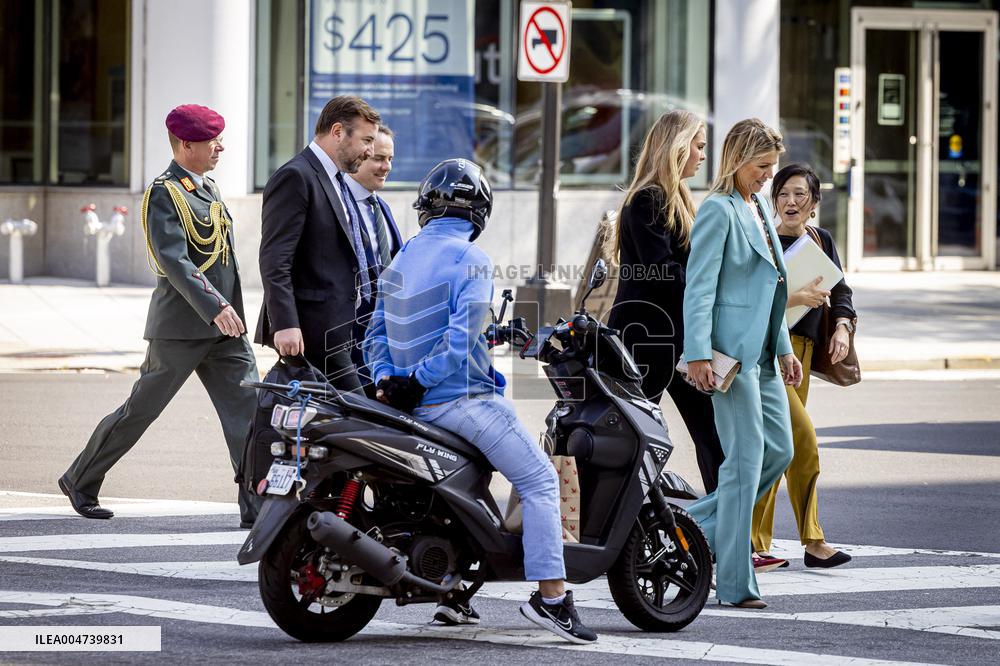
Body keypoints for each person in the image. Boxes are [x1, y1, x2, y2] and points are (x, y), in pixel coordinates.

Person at [363, 159, 597, 644]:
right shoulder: (473, 259)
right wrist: (421, 380)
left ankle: (453, 592)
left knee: (467, 487)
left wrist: (392, 380)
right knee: (539, 480)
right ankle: (553, 599)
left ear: (427, 207)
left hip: (407, 406)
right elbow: (456, 341)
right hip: (459, 401)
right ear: (480, 213)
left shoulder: (402, 258)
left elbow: (375, 336)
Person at [59, 104, 261, 527]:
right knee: (140, 411)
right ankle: (80, 478)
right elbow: (174, 260)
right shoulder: (165, 193)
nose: (220, 148)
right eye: (212, 141)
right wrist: (215, 306)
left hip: (226, 328)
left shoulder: (207, 188)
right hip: (181, 328)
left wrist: (230, 311)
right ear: (186, 145)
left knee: (249, 412)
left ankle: (256, 505)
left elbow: (222, 261)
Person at [682, 118, 800, 609]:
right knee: (745, 463)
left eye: (772, 167)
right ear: (737, 159)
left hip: (765, 356)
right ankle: (734, 583)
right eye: (762, 166)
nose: (769, 176)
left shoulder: (758, 207)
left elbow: (771, 288)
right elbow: (699, 288)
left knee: (779, 452)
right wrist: (697, 354)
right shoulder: (718, 209)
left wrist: (784, 347)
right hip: (729, 358)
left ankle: (689, 525)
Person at [605, 109, 725, 493]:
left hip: (674, 338)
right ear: (678, 147)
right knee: (638, 437)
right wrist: (713, 287)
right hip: (648, 339)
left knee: (710, 433)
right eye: (699, 146)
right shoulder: (648, 199)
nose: (703, 155)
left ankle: (724, 517)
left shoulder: (677, 198)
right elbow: (663, 272)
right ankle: (630, 515)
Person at [751, 163, 856, 569]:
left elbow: (841, 289)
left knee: (779, 446)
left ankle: (756, 543)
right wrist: (796, 299)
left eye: (800, 194)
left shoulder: (820, 239)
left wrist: (842, 327)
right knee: (801, 441)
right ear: (773, 200)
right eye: (783, 193)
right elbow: (752, 300)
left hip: (804, 353)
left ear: (814, 202)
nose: (790, 201)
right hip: (771, 351)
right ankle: (810, 540)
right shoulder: (762, 240)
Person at [255, 95, 381, 390]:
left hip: (341, 330)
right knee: (358, 412)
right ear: (337, 131)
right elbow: (275, 259)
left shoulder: (337, 180)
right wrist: (285, 323)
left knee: (332, 415)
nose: (370, 151)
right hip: (312, 332)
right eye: (366, 140)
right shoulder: (295, 176)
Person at [343, 125, 403, 395]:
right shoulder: (337, 204)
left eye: (390, 159)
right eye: (379, 158)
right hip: (345, 339)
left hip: (380, 339)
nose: (386, 166)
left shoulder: (381, 207)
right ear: (360, 155)